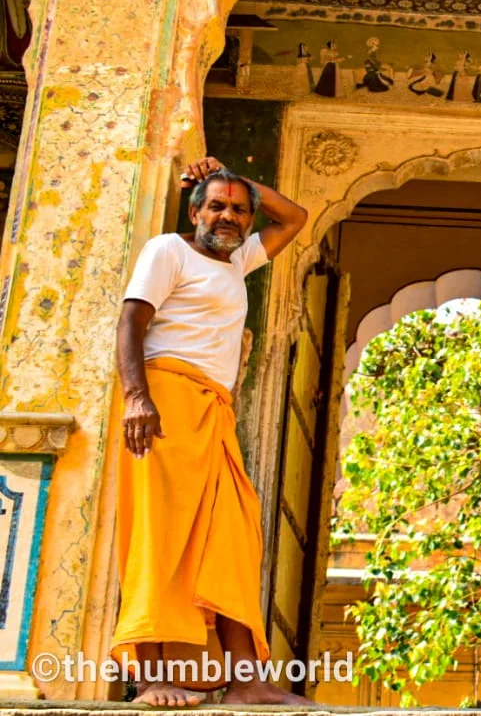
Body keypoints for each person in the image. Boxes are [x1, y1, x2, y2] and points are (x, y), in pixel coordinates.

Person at [111, 157, 310, 707]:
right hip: (163, 402)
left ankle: (245, 680)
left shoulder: (237, 260)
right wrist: (135, 398)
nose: (228, 216)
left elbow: (295, 217)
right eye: (216, 205)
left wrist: (232, 174)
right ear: (194, 210)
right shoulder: (167, 250)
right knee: (159, 537)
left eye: (239, 210)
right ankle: (149, 678)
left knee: (233, 540)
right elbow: (131, 320)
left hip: (214, 411)